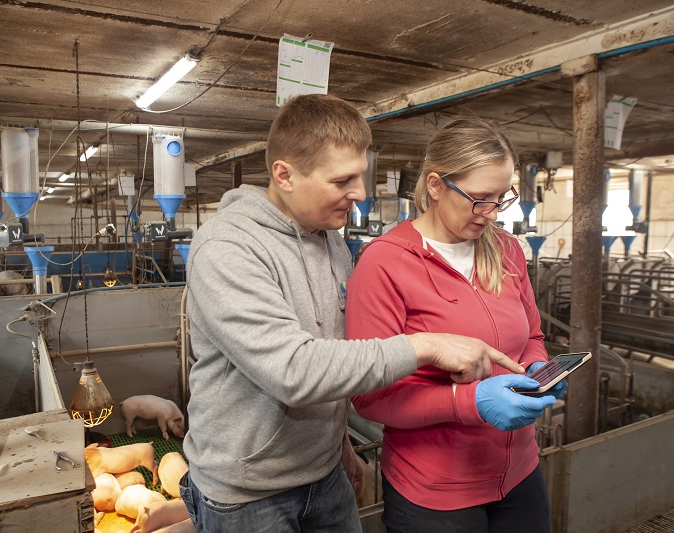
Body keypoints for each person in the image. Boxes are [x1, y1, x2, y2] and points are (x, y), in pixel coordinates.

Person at [181, 95, 525, 533]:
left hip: (324, 474)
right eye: (342, 180)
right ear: (284, 175)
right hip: (248, 494)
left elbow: (336, 350)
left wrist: (339, 440)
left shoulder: (331, 241)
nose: (360, 194)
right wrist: (426, 345)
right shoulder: (227, 248)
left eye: (360, 176)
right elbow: (293, 369)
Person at [346, 116, 566, 533]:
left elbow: (532, 335)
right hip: (435, 489)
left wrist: (537, 369)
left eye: (502, 198)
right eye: (479, 198)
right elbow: (369, 396)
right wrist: (469, 402)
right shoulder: (384, 263)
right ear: (435, 185)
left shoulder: (507, 250)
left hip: (519, 472)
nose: (490, 213)